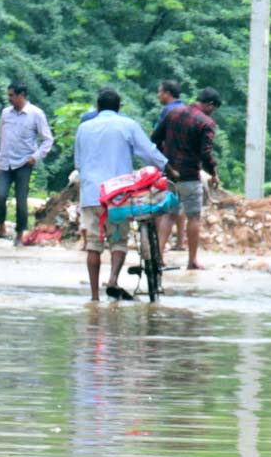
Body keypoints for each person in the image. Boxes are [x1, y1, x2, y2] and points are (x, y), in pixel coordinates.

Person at [74, 88, 168, 302]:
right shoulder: (128, 125)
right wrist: (167, 166)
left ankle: (95, 296)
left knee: (93, 244)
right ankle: (113, 279)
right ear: (119, 108)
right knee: (118, 240)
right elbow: (148, 151)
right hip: (117, 195)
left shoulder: (84, 128)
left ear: (98, 107)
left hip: (91, 194)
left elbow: (78, 163)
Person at [151, 86, 221, 270]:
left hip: (171, 175)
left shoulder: (173, 113)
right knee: (194, 216)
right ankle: (192, 261)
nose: (212, 113)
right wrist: (213, 172)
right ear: (210, 105)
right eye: (213, 109)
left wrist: (165, 160)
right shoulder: (206, 123)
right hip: (190, 176)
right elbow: (206, 154)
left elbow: (155, 138)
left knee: (170, 214)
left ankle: (158, 256)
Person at [0, 81, 54, 245]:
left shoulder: (35, 114)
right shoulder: (5, 113)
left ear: (21, 95)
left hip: (24, 163)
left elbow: (48, 139)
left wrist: (36, 157)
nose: (9, 99)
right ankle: (1, 228)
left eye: (12, 95)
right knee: (0, 195)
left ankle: (19, 234)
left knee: (21, 199)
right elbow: (0, 139)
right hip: (5, 162)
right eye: (8, 95)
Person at [153, 79, 186, 250]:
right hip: (186, 163)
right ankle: (180, 241)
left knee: (163, 202)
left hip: (169, 163)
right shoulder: (186, 110)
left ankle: (160, 246)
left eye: (160, 92)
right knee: (179, 201)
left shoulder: (168, 112)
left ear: (167, 93)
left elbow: (156, 137)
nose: (158, 95)